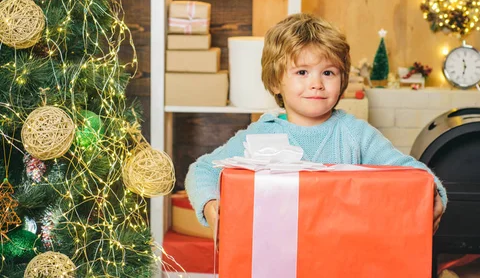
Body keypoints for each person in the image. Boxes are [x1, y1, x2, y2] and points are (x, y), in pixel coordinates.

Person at [185, 13, 447, 237]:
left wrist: (434, 192)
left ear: (342, 80)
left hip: (343, 258)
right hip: (277, 256)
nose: (316, 83)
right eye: (301, 72)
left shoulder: (356, 135)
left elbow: (410, 172)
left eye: (328, 72)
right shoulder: (260, 134)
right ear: (276, 82)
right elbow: (203, 169)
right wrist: (210, 203)